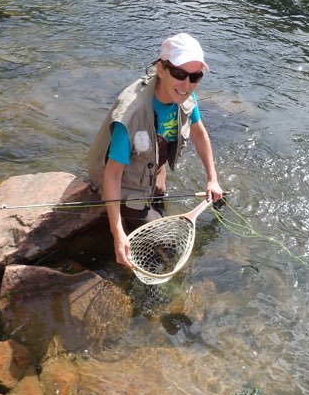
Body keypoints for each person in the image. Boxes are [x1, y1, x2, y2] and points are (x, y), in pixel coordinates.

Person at [88, 33, 223, 270]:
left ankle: (150, 215)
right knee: (169, 245)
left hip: (154, 172)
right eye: (179, 74)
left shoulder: (185, 96)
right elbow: (112, 175)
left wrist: (212, 179)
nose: (187, 84)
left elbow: (200, 134)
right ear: (161, 69)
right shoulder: (131, 114)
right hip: (127, 186)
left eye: (195, 77)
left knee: (161, 208)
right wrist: (117, 234)